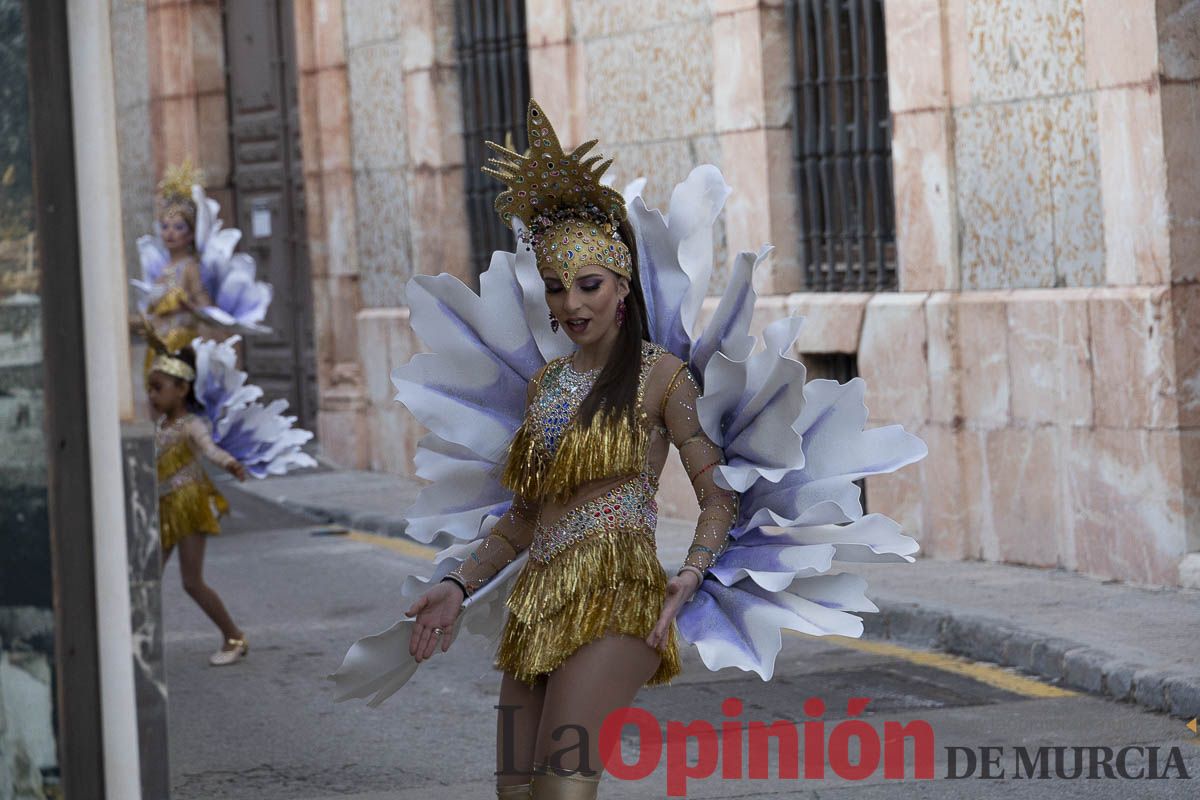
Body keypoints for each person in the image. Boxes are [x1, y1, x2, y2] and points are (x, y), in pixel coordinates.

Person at [331, 100, 927, 800]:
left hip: (620, 599)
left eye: (589, 285)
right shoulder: (547, 385)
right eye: (557, 288)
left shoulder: (662, 378)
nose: (572, 303)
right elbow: (525, 516)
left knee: (562, 790)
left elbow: (718, 495)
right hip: (538, 604)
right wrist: (458, 584)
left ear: (621, 290)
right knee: (515, 795)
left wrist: (694, 572)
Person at [147, 341, 250, 666]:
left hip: (189, 505)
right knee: (146, 578)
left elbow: (210, 450)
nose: (152, 395)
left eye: (158, 388)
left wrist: (230, 463)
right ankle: (138, 644)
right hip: (164, 507)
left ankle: (234, 636)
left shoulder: (191, 424)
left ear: (182, 389)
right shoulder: (160, 426)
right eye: (150, 388)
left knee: (191, 581)